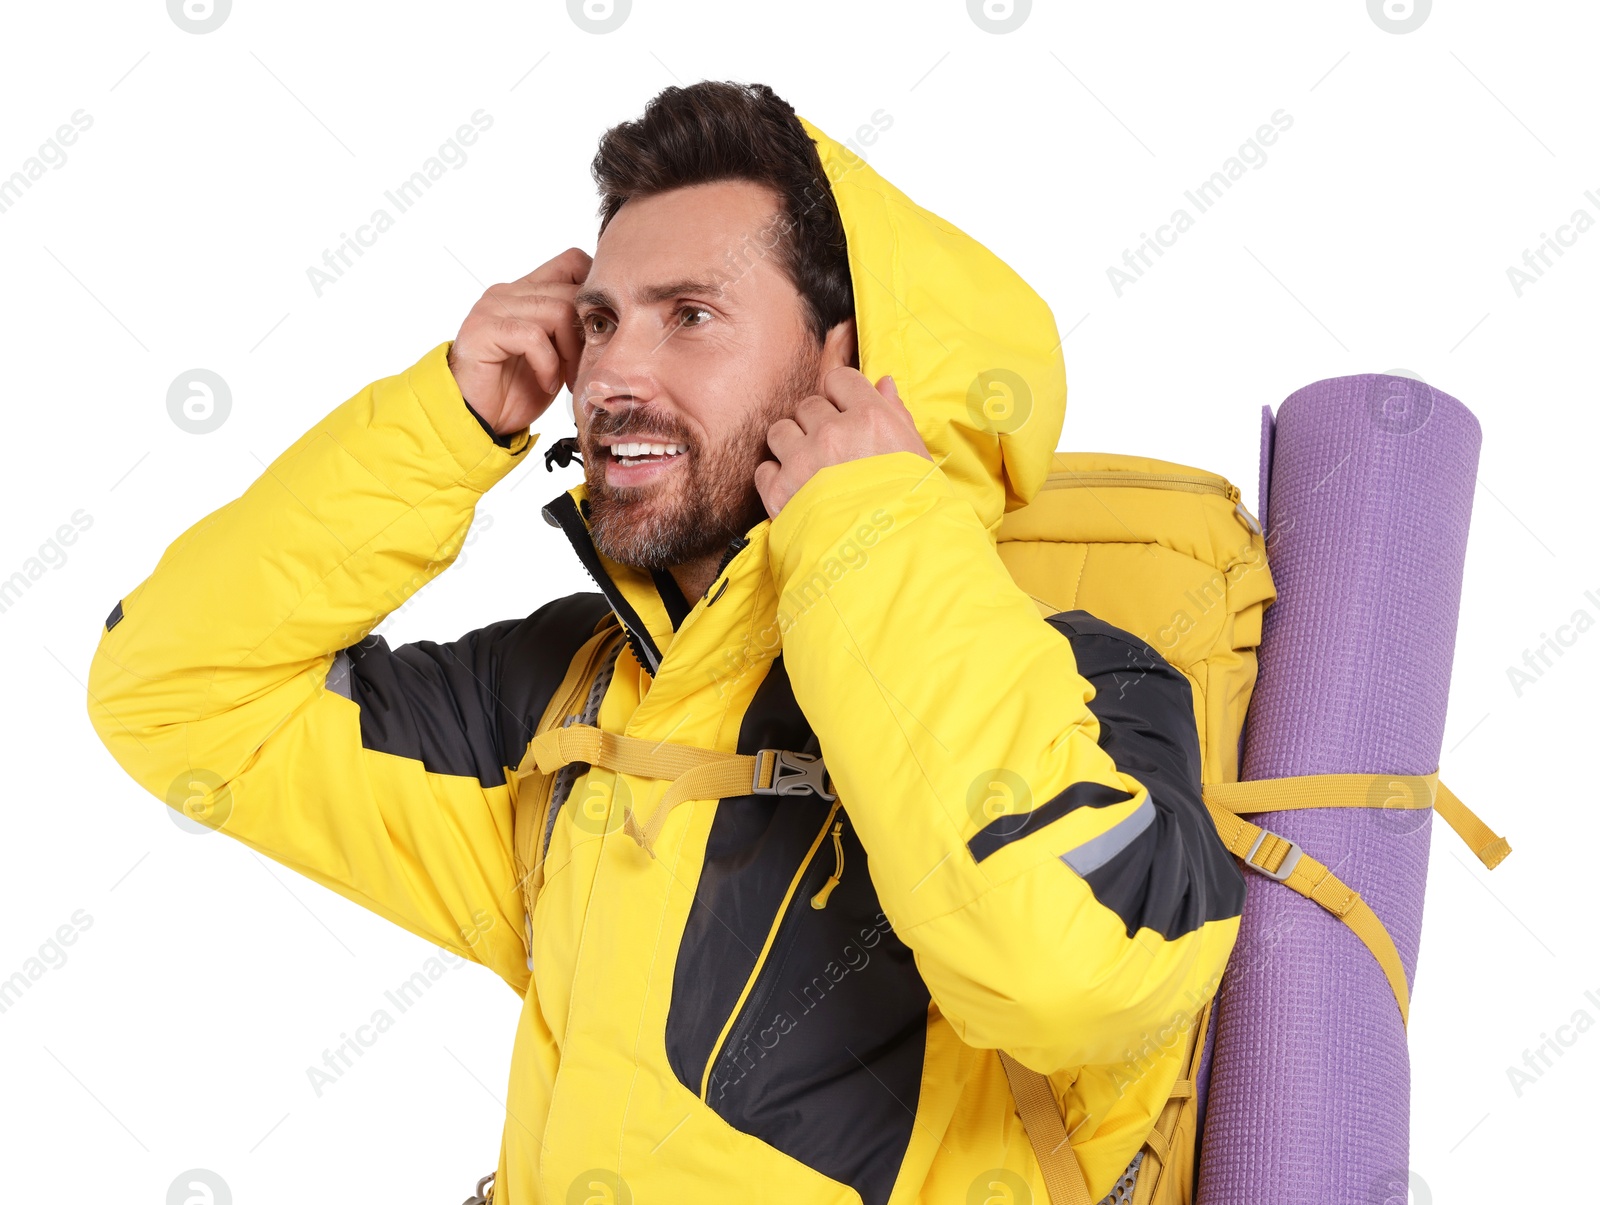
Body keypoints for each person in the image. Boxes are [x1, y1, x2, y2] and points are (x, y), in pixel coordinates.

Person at [88, 80, 1246, 1204]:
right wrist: (444, 421)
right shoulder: (568, 692)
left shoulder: (1089, 680)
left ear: (847, 364)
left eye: (689, 316)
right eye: (600, 321)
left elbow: (1075, 977)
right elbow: (174, 696)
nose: (608, 375)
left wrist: (873, 524)